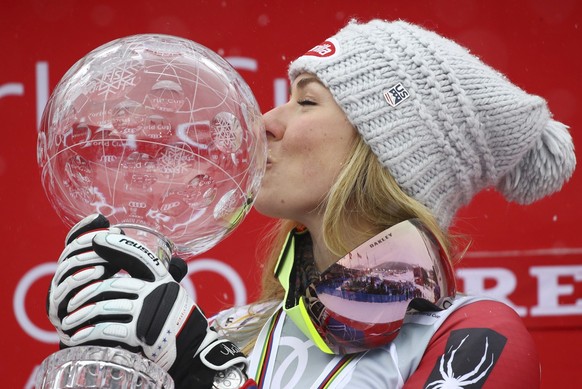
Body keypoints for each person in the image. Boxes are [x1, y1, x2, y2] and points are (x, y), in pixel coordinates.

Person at [47, 19, 575, 388]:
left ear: (383, 153)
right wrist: (107, 362)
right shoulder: (229, 333)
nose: (264, 123)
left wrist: (207, 373)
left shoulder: (474, 335)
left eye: (306, 101)